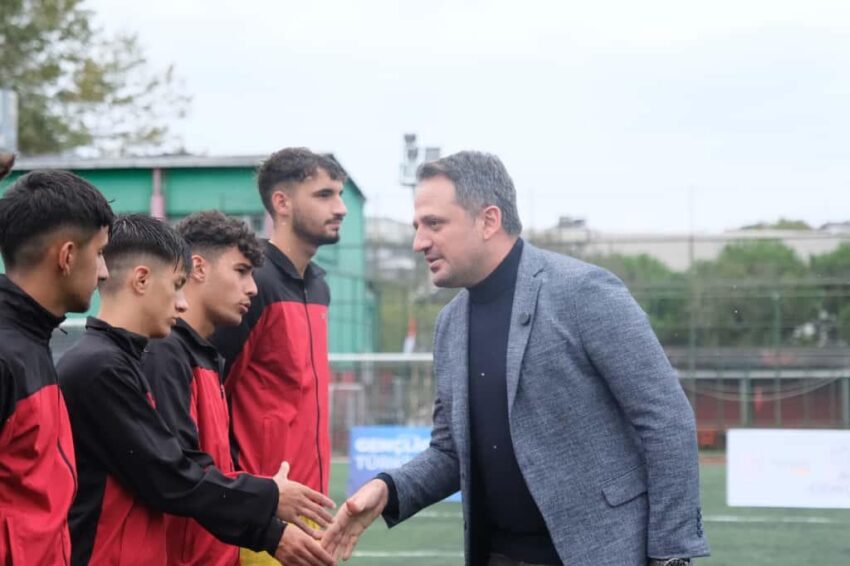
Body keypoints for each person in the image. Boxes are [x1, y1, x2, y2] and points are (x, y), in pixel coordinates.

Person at [323, 151, 711, 566]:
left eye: (434, 224)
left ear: (488, 221)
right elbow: (450, 453)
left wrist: (671, 555)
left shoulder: (584, 292)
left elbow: (666, 420)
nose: (419, 242)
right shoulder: (450, 325)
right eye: (417, 226)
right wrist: (388, 489)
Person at [57, 214, 334, 566]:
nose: (182, 302)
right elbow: (171, 476)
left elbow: (181, 470)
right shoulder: (109, 365)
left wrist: (266, 526)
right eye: (177, 285)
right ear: (141, 279)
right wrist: (268, 504)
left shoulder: (130, 359)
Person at [142, 210, 336, 565]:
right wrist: (267, 501)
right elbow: (180, 475)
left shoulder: (204, 356)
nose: (253, 287)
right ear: (198, 268)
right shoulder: (164, 353)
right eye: (241, 271)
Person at [211, 148, 347, 565]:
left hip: (311, 507)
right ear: (282, 203)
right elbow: (209, 395)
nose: (340, 208)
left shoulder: (319, 286)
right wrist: (245, 495)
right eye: (324, 195)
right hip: (263, 511)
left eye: (339, 195)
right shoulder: (253, 285)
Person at [0, 170, 113, 564]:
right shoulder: (7, 355)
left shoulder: (32, 342)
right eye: (100, 253)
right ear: (66, 256)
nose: (104, 272)